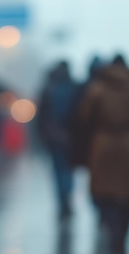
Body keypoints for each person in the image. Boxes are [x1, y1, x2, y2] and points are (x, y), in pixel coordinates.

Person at [75, 53, 129, 254]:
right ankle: (122, 237)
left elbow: (84, 119)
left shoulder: (97, 88)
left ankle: (110, 230)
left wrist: (91, 145)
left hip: (103, 145)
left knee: (104, 192)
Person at [35, 60, 79, 219]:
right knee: (68, 171)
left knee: (58, 171)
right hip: (70, 138)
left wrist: (43, 137)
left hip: (54, 137)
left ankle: (62, 203)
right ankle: (67, 200)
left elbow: (41, 116)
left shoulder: (49, 87)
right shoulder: (74, 87)